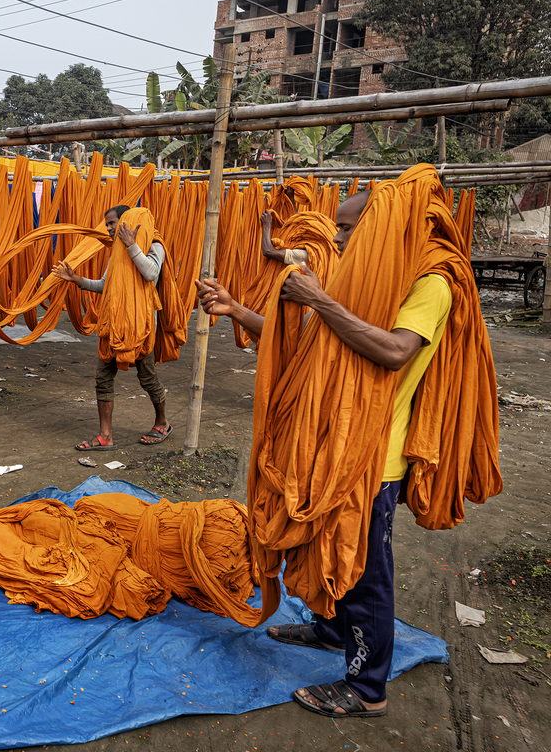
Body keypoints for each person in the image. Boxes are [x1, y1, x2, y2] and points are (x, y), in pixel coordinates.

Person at [196, 188, 451, 717]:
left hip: (370, 458)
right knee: (326, 552)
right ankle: (333, 631)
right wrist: (237, 309)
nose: (337, 238)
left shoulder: (431, 283)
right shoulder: (366, 276)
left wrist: (320, 299)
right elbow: (317, 343)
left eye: (349, 227)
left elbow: (393, 350)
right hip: (329, 446)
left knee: (364, 573)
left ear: (385, 228)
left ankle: (367, 689)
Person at [53, 204, 171, 451]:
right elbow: (106, 284)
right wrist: (78, 281)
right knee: (103, 377)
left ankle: (163, 422)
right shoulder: (118, 251)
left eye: (111, 223)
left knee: (147, 377)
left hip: (140, 326)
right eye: (106, 224)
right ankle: (105, 435)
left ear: (127, 222)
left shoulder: (154, 245)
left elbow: (150, 273)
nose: (108, 228)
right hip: (114, 322)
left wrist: (132, 245)